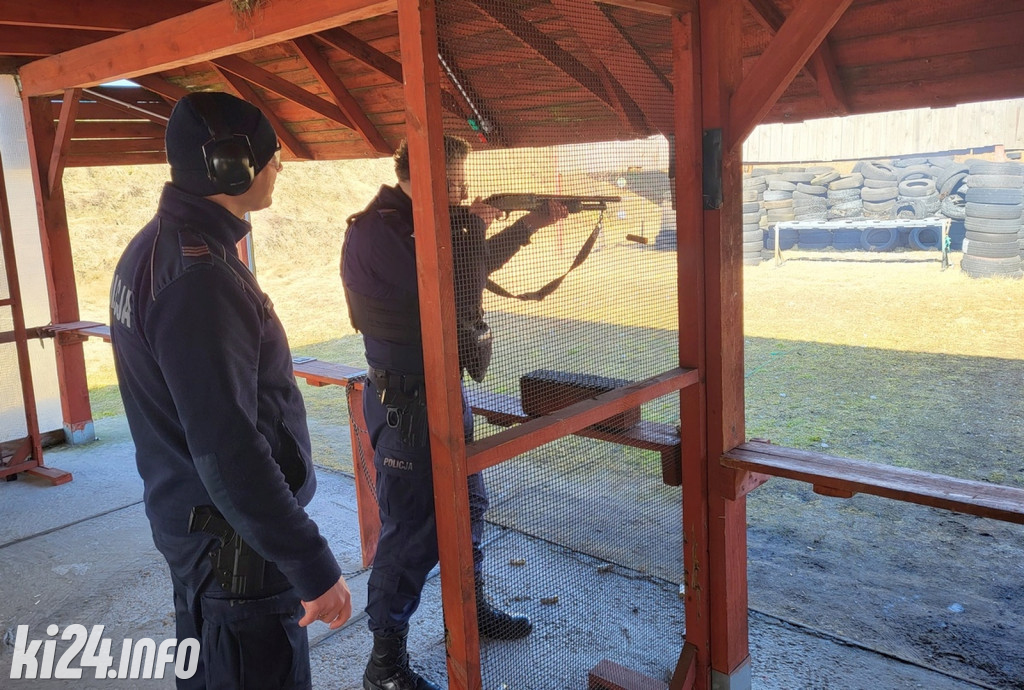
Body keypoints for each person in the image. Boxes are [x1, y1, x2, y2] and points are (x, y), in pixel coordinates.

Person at [109, 91, 351, 690]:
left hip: (202, 537)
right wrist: (312, 564)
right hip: (237, 556)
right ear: (229, 168)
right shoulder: (201, 280)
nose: (278, 167)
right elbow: (230, 450)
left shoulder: (156, 249)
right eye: (269, 155)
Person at [341, 135, 567, 690]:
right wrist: (468, 224)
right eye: (454, 178)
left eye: (462, 178)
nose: (463, 189)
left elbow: (472, 267)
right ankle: (385, 663)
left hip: (445, 392)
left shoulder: (427, 223)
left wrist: (527, 225)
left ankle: (471, 611)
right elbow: (450, 285)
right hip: (407, 404)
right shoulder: (377, 231)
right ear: (422, 173)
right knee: (412, 532)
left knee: (469, 508)